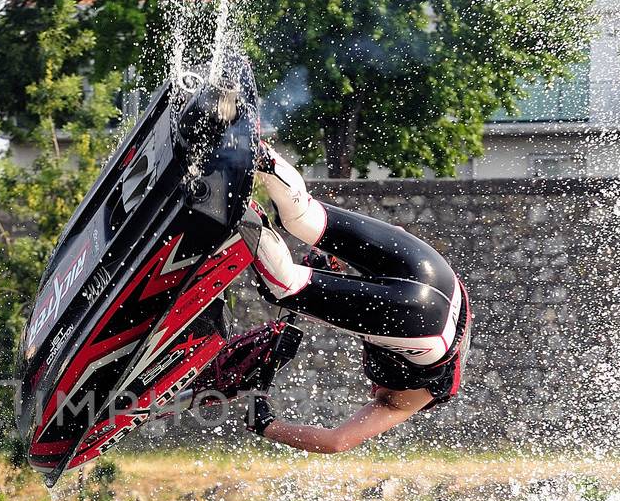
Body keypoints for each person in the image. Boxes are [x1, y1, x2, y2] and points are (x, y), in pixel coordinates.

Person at [194, 144, 471, 454]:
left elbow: (390, 273)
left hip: (437, 271)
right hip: (428, 327)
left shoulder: (422, 365)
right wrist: (267, 426)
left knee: (302, 217)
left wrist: (338, 264)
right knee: (285, 287)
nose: (372, 389)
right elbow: (335, 442)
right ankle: (235, 210)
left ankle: (249, 148)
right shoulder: (401, 404)